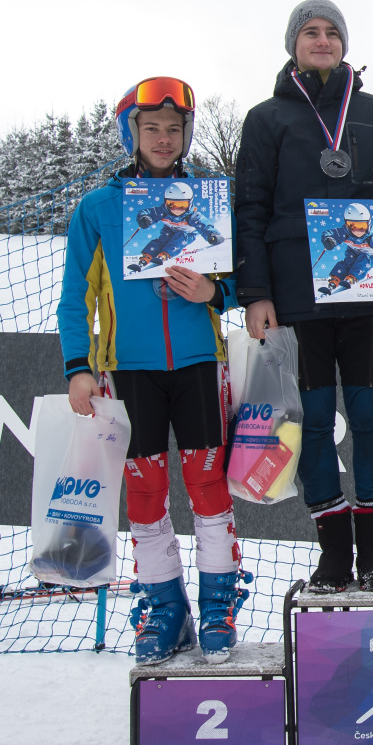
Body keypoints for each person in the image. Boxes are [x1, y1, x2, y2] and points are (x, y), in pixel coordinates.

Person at [57, 76, 248, 665]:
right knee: (144, 492)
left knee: (208, 487)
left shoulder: (211, 202)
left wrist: (214, 293)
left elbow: (245, 282)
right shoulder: (98, 208)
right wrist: (78, 367)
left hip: (199, 365)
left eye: (174, 128)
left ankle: (218, 606)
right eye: (151, 128)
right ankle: (164, 609)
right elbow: (73, 298)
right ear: (131, 134)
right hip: (127, 370)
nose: (164, 138)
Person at [235, 0, 373, 594]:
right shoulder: (265, 118)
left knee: (370, 417)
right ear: (293, 44)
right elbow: (250, 208)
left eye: (332, 32)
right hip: (298, 299)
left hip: (369, 294)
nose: (322, 40)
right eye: (310, 32)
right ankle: (334, 552)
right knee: (312, 423)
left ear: (345, 44)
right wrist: (256, 292)